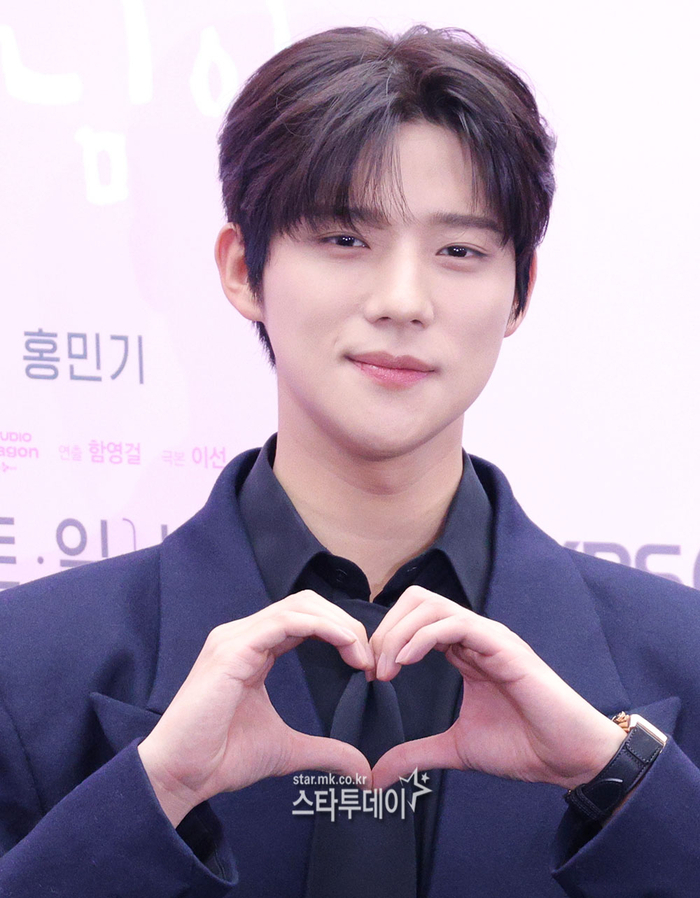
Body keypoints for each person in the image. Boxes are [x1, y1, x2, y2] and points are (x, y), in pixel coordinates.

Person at [1, 24, 699, 898]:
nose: (403, 301)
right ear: (244, 269)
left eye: (459, 251)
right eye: (343, 239)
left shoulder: (677, 652)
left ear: (520, 290)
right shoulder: (30, 661)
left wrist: (621, 782)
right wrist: (155, 792)